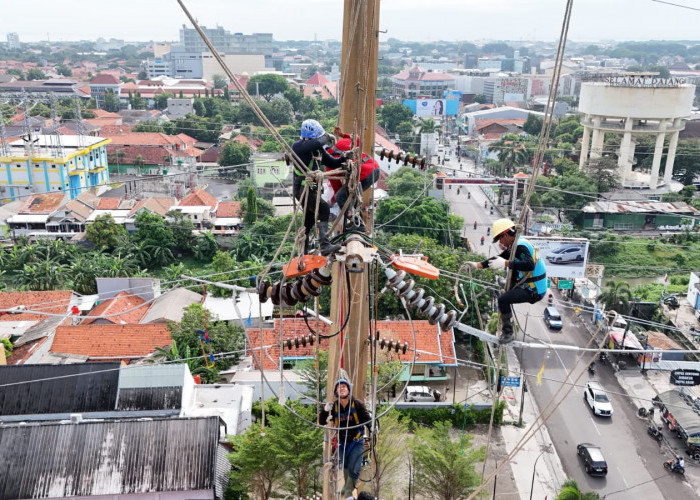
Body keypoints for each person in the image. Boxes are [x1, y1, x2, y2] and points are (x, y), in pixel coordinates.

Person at [463, 218, 547, 344]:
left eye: (500, 239)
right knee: (506, 286)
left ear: (506, 235)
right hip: (529, 285)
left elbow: (530, 265)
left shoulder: (520, 247)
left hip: (534, 291)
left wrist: (506, 263)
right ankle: (508, 325)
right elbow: (499, 258)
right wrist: (477, 265)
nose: (500, 242)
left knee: (503, 299)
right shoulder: (514, 246)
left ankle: (508, 332)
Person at [292, 119, 349, 255]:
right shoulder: (298, 146)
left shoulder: (316, 150)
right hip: (303, 188)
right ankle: (324, 245)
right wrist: (326, 136)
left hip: (312, 189)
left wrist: (344, 158)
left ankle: (303, 252)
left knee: (309, 220)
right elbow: (318, 142)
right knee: (323, 209)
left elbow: (332, 162)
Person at [319, 378, 372, 498]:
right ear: (336, 392)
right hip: (343, 441)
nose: (341, 388)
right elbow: (322, 421)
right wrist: (325, 410)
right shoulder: (334, 407)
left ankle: (348, 492)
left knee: (355, 467)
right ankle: (346, 487)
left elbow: (366, 419)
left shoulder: (357, 404)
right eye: (339, 387)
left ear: (348, 390)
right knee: (346, 466)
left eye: (344, 386)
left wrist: (372, 428)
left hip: (356, 440)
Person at [325, 128, 381, 228]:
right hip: (374, 168)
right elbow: (357, 139)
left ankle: (356, 224)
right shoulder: (340, 144)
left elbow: (338, 191)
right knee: (352, 197)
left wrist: (330, 202)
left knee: (341, 197)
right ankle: (358, 222)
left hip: (364, 174)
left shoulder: (330, 167)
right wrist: (343, 134)